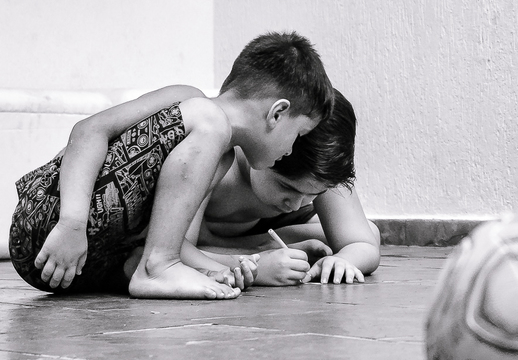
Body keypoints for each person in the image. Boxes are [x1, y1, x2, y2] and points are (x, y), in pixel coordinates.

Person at [7, 32, 335, 300]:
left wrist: (225, 269)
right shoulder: (198, 110)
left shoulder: (218, 157)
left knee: (150, 255)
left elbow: (175, 239)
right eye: (298, 134)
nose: (292, 148)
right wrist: (72, 224)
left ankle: (154, 267)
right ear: (277, 113)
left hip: (79, 268)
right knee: (210, 121)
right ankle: (158, 268)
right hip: (51, 224)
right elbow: (89, 130)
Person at [196, 88, 381, 285]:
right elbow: (171, 250)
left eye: (314, 194)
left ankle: (269, 244)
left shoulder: (321, 167)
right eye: (287, 187)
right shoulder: (214, 155)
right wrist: (253, 263)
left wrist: (341, 261)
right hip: (198, 236)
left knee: (369, 231)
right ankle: (266, 246)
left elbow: (362, 243)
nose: (296, 205)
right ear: (269, 148)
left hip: (264, 229)